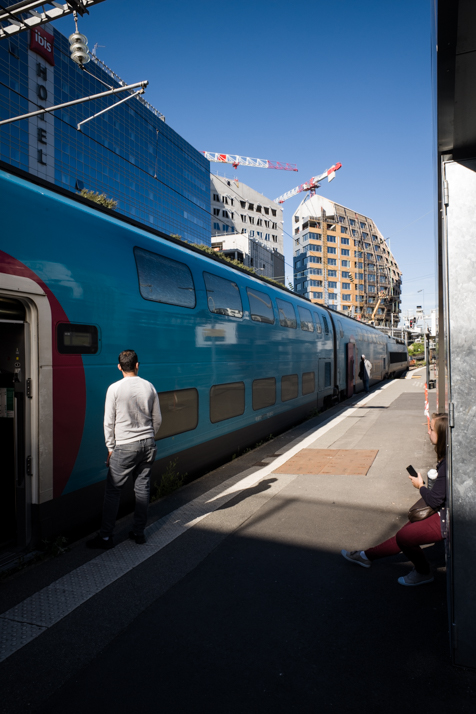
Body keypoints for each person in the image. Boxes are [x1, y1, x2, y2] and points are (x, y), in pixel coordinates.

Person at [341, 413, 448, 586]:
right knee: (404, 534)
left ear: (441, 434)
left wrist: (420, 486)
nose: (428, 432)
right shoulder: (448, 458)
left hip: (447, 517)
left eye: (431, 429)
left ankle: (424, 572)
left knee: (405, 536)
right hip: (444, 511)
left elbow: (435, 500)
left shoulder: (447, 463)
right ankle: (365, 556)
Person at [87, 350, 162, 549]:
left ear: (119, 367)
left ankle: (105, 537)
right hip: (147, 444)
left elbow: (108, 422)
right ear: (137, 365)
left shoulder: (114, 389)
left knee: (113, 492)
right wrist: (148, 437)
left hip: (124, 446)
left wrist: (110, 447)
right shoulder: (149, 387)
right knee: (142, 488)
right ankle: (139, 533)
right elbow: (158, 420)